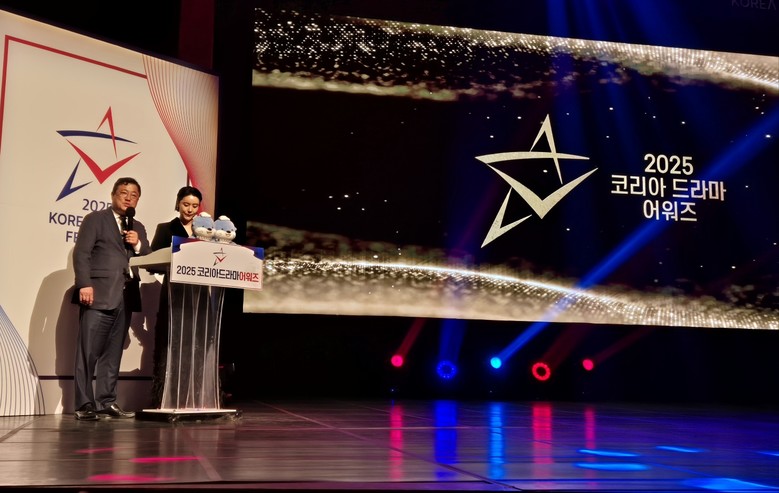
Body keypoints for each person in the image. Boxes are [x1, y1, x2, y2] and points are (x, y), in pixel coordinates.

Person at [72, 177, 151, 420]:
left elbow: (148, 256)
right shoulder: (95, 219)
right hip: (98, 293)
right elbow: (82, 253)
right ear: (113, 195)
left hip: (126, 296)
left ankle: (105, 402)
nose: (129, 198)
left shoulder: (138, 226)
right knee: (88, 352)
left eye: (134, 195)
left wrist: (138, 244)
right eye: (124, 193)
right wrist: (84, 284)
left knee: (113, 354)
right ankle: (84, 404)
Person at [149, 185, 203, 407]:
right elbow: (153, 261)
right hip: (173, 293)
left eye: (194, 206)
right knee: (169, 344)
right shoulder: (166, 229)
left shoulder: (204, 231)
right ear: (178, 203)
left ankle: (193, 397)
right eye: (186, 204)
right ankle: (164, 398)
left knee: (194, 344)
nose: (190, 210)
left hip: (198, 296)